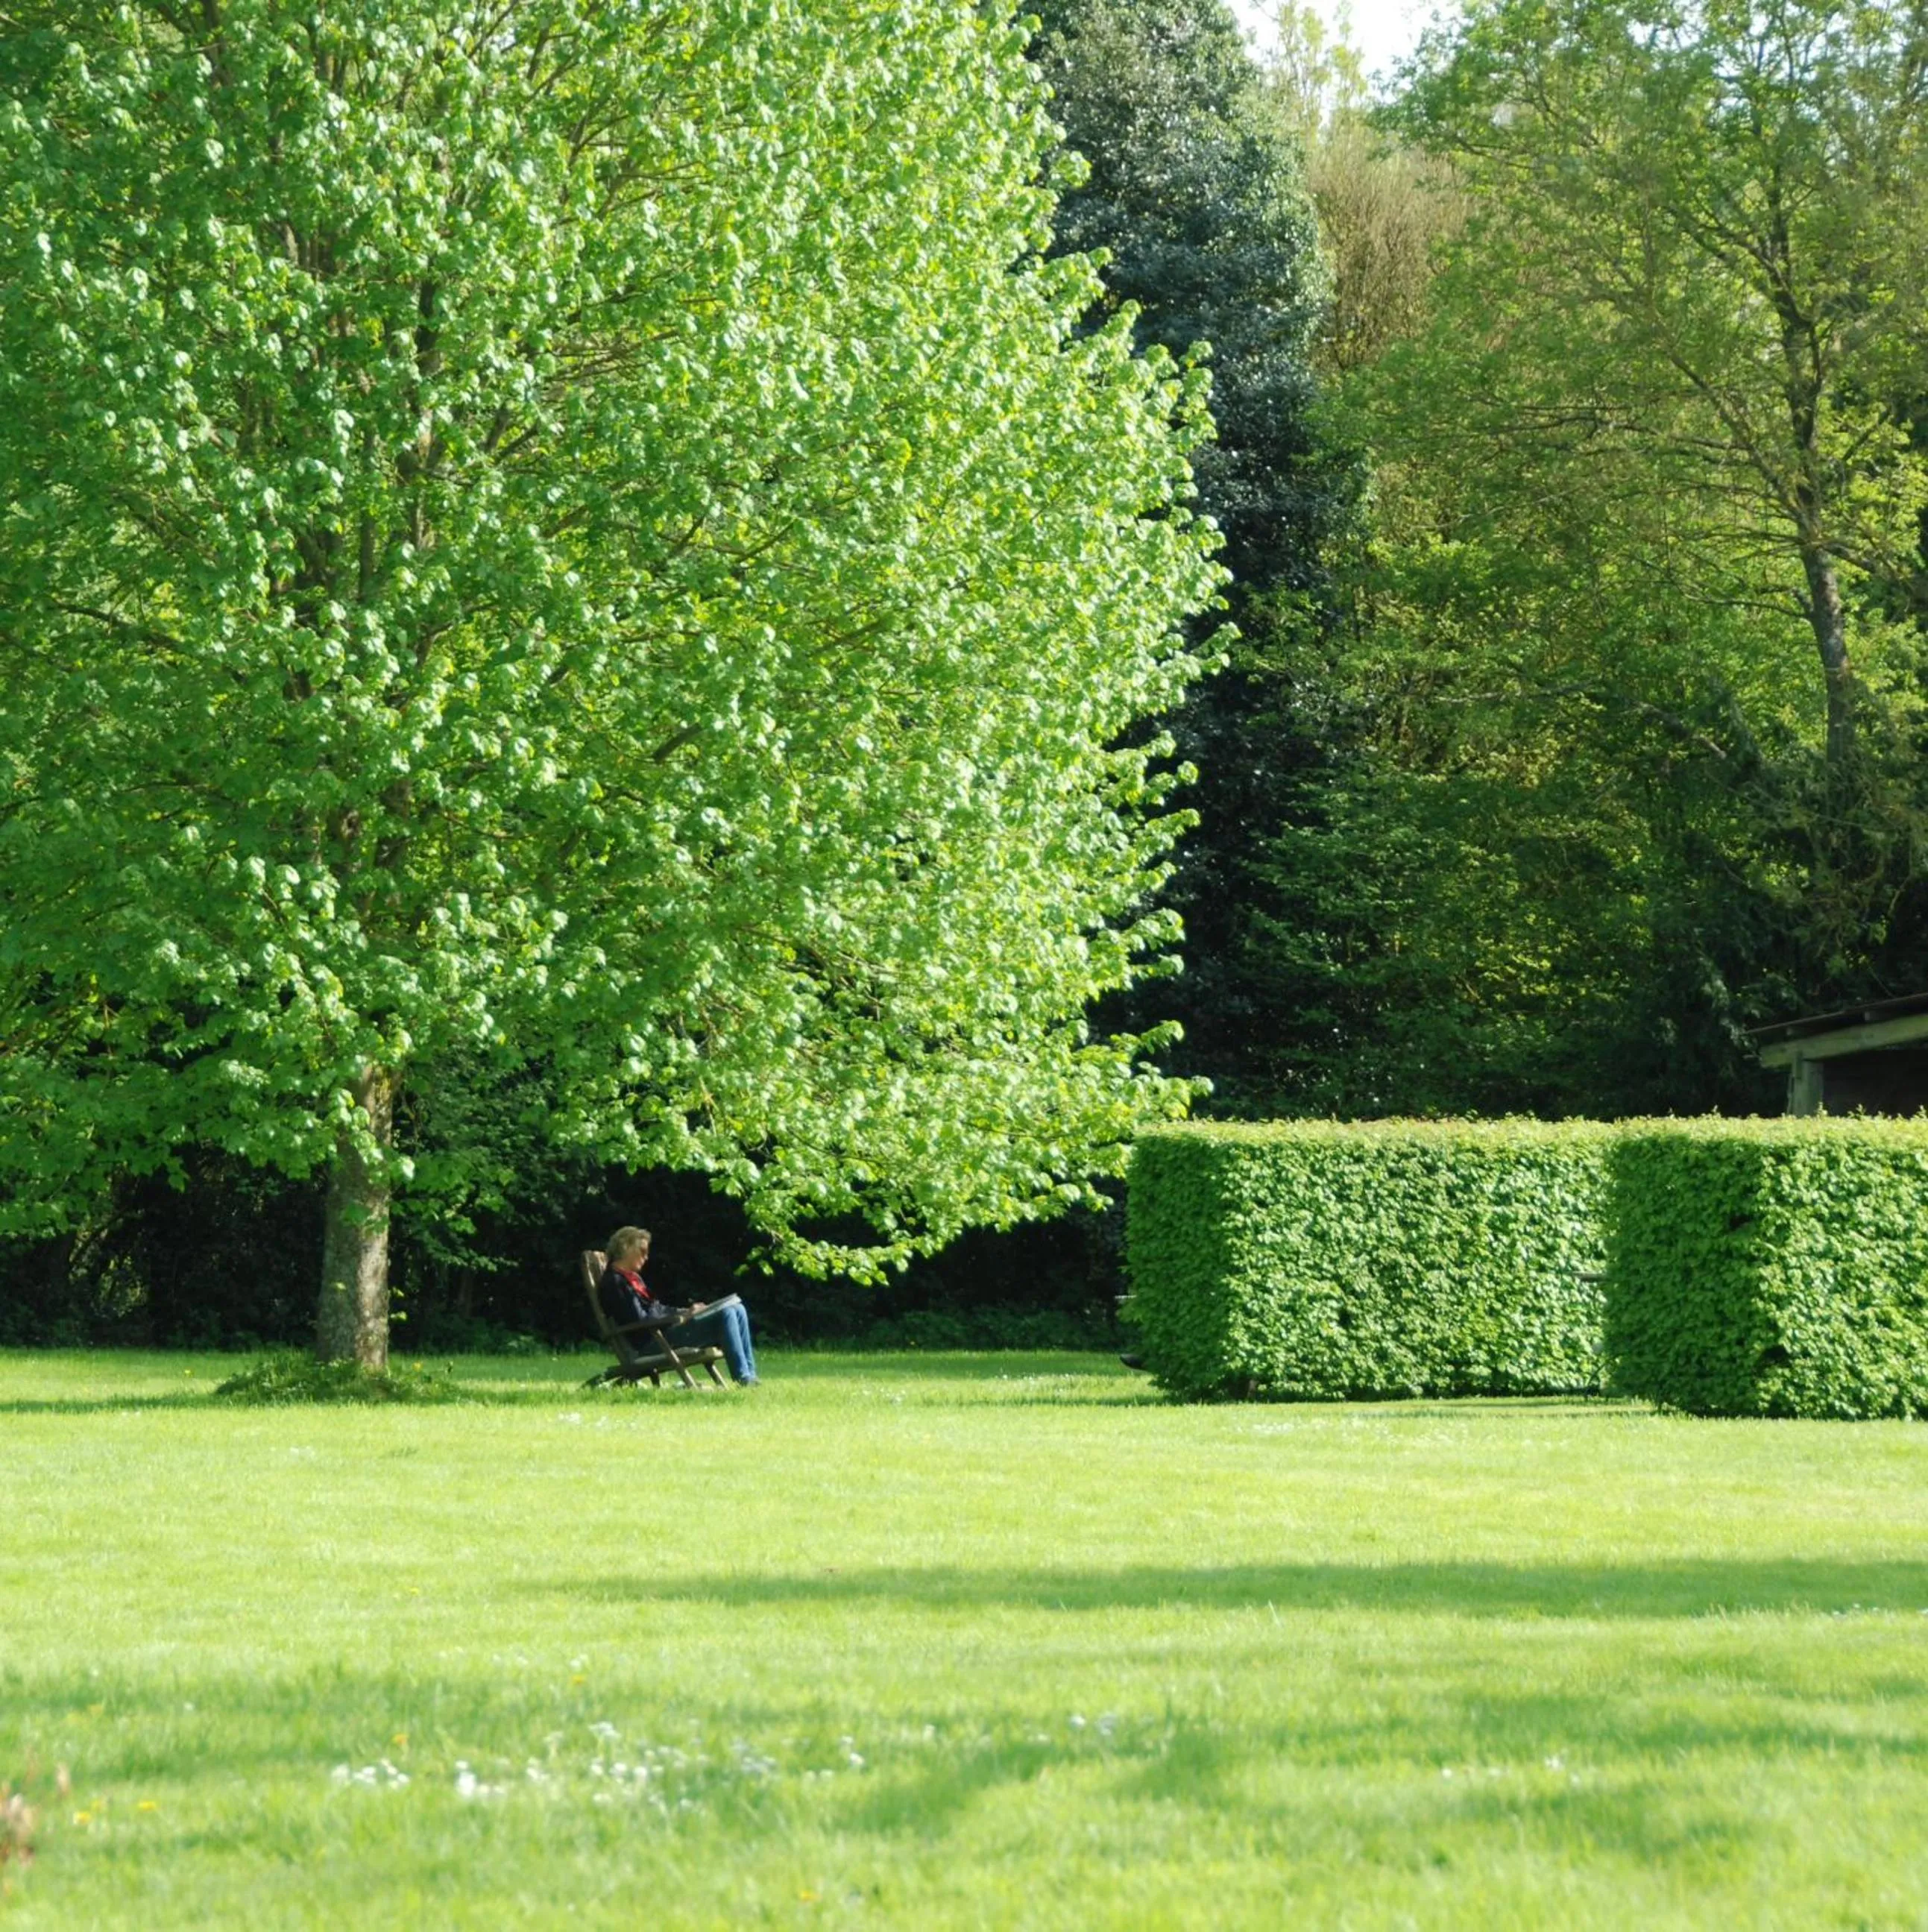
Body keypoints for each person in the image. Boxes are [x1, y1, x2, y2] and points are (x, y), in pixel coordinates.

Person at [597, 1226, 759, 1387]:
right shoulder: (615, 1282)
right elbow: (641, 1321)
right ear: (626, 1247)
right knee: (727, 1313)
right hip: (653, 1344)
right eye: (642, 1251)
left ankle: (750, 1375)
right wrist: (682, 1318)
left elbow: (657, 1309)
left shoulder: (633, 1279)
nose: (646, 1257)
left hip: (663, 1335)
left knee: (738, 1308)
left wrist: (686, 1312)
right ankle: (743, 1377)